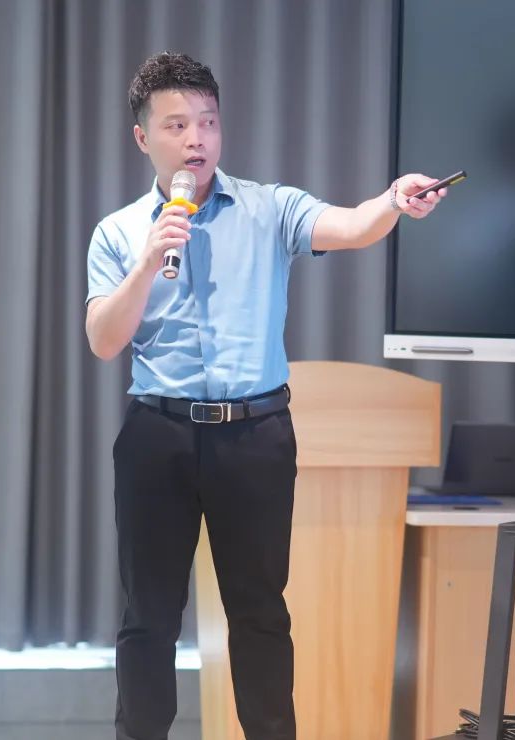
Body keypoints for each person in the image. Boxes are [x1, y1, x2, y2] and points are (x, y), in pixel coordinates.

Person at [84, 51, 446, 740]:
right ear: (142, 137)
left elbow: (352, 225)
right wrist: (148, 261)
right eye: (177, 125)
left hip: (253, 435)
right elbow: (104, 340)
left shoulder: (270, 207)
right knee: (148, 617)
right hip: (157, 434)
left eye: (208, 122)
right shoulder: (120, 231)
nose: (196, 139)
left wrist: (393, 200)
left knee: (259, 613)